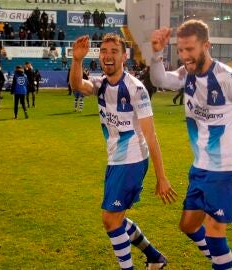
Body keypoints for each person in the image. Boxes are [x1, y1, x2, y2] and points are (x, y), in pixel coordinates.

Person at [150, 20, 232, 269]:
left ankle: (224, 264)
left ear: (206, 46)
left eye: (190, 49)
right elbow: (159, 80)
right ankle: (226, 264)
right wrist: (156, 53)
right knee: (187, 226)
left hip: (226, 168)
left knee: (214, 231)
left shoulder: (228, 78)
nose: (184, 56)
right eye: (180, 50)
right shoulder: (186, 74)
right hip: (201, 167)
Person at [69, 33, 177, 270]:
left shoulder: (136, 89)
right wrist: (76, 61)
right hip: (115, 160)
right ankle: (155, 258)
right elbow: (77, 85)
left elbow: (151, 135)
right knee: (116, 218)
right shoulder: (101, 85)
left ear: (124, 57)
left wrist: (161, 177)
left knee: (110, 220)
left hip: (132, 160)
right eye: (104, 51)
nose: (108, 56)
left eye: (114, 51)